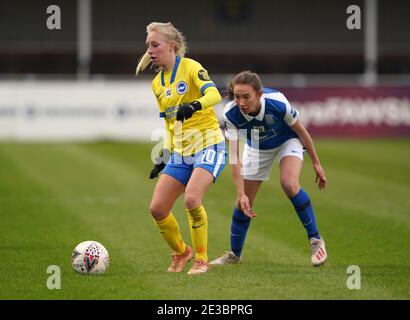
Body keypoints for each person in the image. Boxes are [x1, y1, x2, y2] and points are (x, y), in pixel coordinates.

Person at [210, 71, 328, 267]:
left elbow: (301, 131)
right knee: (243, 203)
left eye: (246, 96)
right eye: (237, 96)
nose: (241, 102)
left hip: (286, 141)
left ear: (259, 95)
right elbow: (234, 156)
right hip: (256, 147)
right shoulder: (230, 114)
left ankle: (315, 240)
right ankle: (235, 254)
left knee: (289, 184)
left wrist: (316, 162)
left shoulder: (277, 103)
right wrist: (240, 193)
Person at [135, 22, 226, 275]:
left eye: (155, 45)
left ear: (171, 46)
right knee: (157, 208)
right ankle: (181, 252)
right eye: (148, 45)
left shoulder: (191, 67)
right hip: (181, 152)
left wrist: (194, 105)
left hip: (209, 144)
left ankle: (201, 260)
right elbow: (170, 123)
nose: (150, 50)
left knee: (192, 199)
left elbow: (215, 95)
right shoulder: (157, 83)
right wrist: (164, 154)